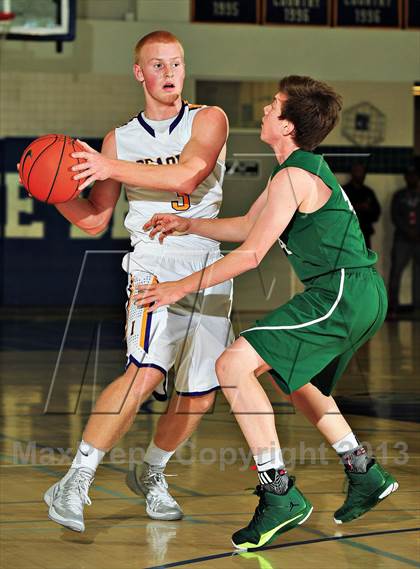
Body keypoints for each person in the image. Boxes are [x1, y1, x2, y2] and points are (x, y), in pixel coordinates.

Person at [136, 76, 398, 550]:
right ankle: (364, 472)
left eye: (272, 106)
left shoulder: (294, 176)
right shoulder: (296, 171)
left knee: (232, 364)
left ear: (288, 125)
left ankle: (279, 494)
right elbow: (247, 226)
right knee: (298, 384)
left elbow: (251, 254)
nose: (263, 110)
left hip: (341, 291)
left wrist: (177, 288)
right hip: (355, 293)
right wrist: (188, 223)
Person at [39, 30, 232, 532]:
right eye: (158, 65)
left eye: (177, 64)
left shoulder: (209, 119)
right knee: (145, 372)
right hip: (153, 263)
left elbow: (189, 175)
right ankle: (76, 479)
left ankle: (151, 472)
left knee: (200, 395)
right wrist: (52, 189)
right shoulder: (119, 139)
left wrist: (109, 166)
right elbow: (93, 219)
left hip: (208, 264)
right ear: (139, 73)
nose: (170, 74)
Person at [388, 165, 420, 317]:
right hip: (402, 238)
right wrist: (408, 231)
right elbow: (395, 216)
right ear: (405, 178)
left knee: (418, 274)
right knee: (396, 272)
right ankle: (392, 307)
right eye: (409, 175)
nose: (411, 178)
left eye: (414, 175)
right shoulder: (399, 195)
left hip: (419, 239)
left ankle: (417, 306)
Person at [343, 162, 381, 248]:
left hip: (364, 233)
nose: (359, 174)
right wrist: (356, 207)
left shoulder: (368, 192)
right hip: (347, 234)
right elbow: (337, 212)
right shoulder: (344, 191)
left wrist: (368, 209)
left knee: (364, 260)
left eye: (361, 172)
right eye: (357, 171)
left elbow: (377, 212)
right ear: (352, 173)